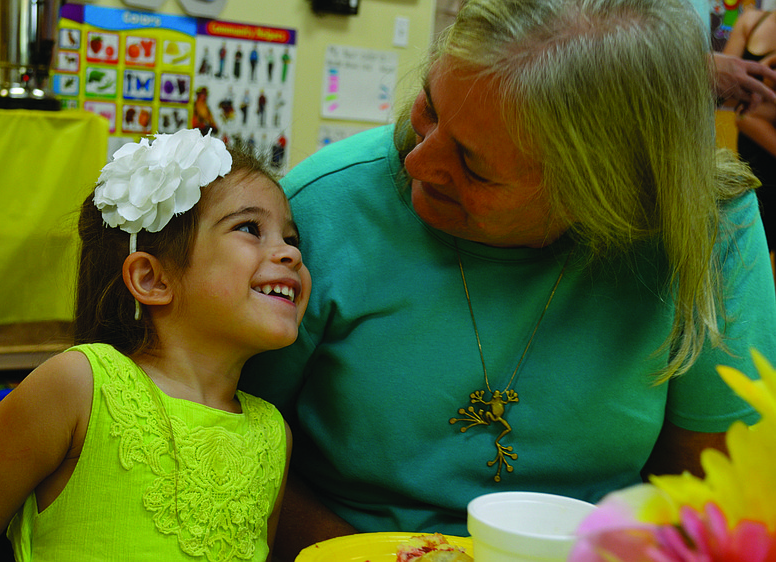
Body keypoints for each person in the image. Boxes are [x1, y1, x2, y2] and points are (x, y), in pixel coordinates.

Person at [238, 0, 776, 558]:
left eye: (473, 165)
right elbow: (234, 451)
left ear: (604, 193)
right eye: (431, 106)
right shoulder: (318, 212)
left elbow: (709, 493)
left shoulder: (708, 226)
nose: (418, 161)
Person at [0, 129, 311, 561]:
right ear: (152, 279)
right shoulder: (80, 385)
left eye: (291, 239)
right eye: (250, 228)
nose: (290, 255)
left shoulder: (273, 435)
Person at [722, 6, 776, 258]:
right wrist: (758, 73)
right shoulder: (751, 22)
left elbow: (746, 115)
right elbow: (727, 95)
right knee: (751, 254)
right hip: (754, 165)